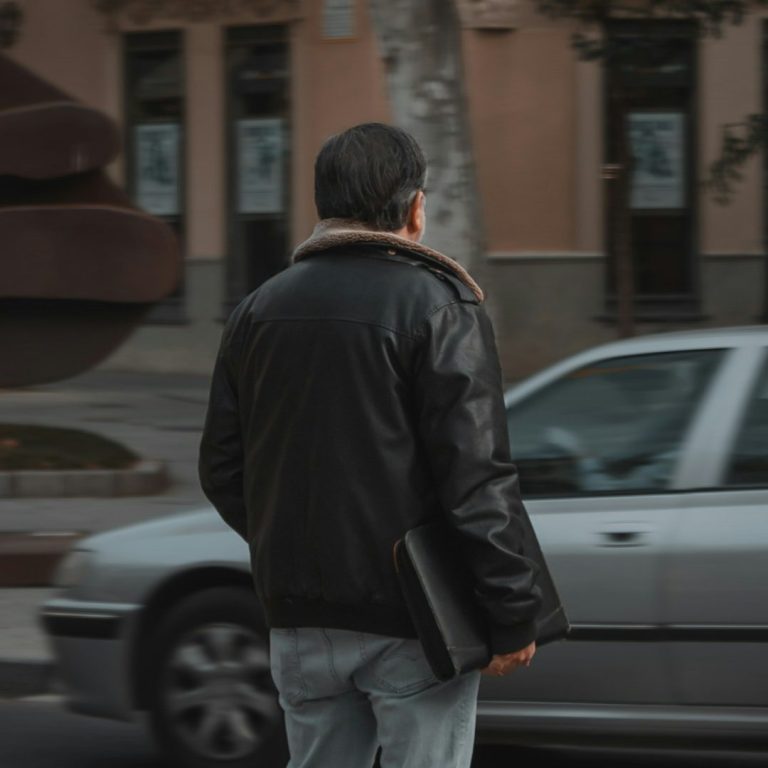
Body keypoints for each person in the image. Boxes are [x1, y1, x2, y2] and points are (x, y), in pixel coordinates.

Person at [199, 122, 542, 768]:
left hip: (298, 617)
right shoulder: (439, 305)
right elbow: (474, 477)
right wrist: (512, 610)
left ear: (323, 205)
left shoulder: (255, 310)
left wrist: (293, 545)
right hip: (413, 618)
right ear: (415, 209)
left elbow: (222, 468)